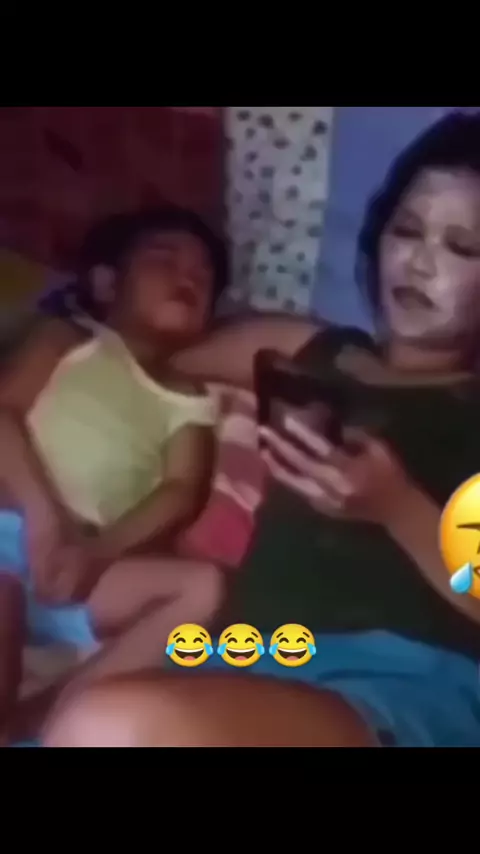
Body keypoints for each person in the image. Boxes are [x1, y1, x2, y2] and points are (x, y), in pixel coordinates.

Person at [41, 111, 480, 747]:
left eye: (462, 247)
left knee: (108, 725)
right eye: (406, 230)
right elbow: (153, 351)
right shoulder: (311, 350)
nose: (418, 262)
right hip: (248, 660)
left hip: (401, 684)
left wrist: (396, 507)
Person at [0, 206, 228, 742]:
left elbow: (181, 491)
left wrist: (99, 552)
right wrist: (45, 522)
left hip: (87, 565)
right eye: (164, 259)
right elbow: (4, 412)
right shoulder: (68, 339)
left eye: (203, 277)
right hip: (14, 527)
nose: (187, 278)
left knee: (205, 587)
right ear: (107, 283)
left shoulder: (189, 397)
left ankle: (50, 715)